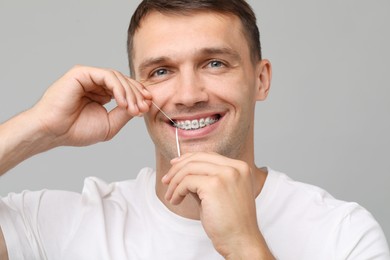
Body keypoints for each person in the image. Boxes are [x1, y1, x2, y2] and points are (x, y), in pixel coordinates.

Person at [0, 0, 389, 259]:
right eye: (161, 71)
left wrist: (244, 245)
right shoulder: (60, 224)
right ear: (135, 86)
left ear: (261, 79)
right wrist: (40, 128)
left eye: (215, 63)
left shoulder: (343, 235)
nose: (187, 96)